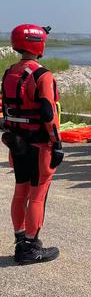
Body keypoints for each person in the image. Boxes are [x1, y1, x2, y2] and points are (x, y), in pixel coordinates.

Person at [1, 24, 63, 264]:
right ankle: (31, 247)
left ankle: (19, 240)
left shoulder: (9, 73)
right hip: (39, 146)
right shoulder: (42, 75)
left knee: (20, 191)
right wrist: (57, 143)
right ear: (38, 44)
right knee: (38, 194)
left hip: (18, 145)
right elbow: (49, 113)